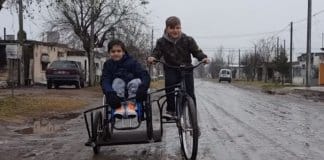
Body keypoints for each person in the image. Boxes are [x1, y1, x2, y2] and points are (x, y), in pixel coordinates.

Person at [148, 16, 209, 118]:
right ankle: (171, 110)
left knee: (190, 93)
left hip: (186, 69)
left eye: (177, 27)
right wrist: (153, 58)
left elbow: (197, 51)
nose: (175, 30)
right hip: (171, 68)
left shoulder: (188, 40)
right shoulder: (161, 42)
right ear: (167, 29)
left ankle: (193, 117)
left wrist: (203, 58)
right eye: (171, 28)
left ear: (181, 28)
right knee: (170, 87)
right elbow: (156, 52)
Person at [102, 39, 151, 118]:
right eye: (113, 51)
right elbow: (105, 80)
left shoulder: (132, 62)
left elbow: (144, 74)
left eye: (119, 51)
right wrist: (110, 93)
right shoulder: (108, 65)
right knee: (117, 81)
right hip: (117, 93)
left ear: (123, 52)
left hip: (133, 91)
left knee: (135, 81)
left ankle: (131, 106)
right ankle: (119, 108)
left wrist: (143, 87)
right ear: (109, 53)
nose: (116, 53)